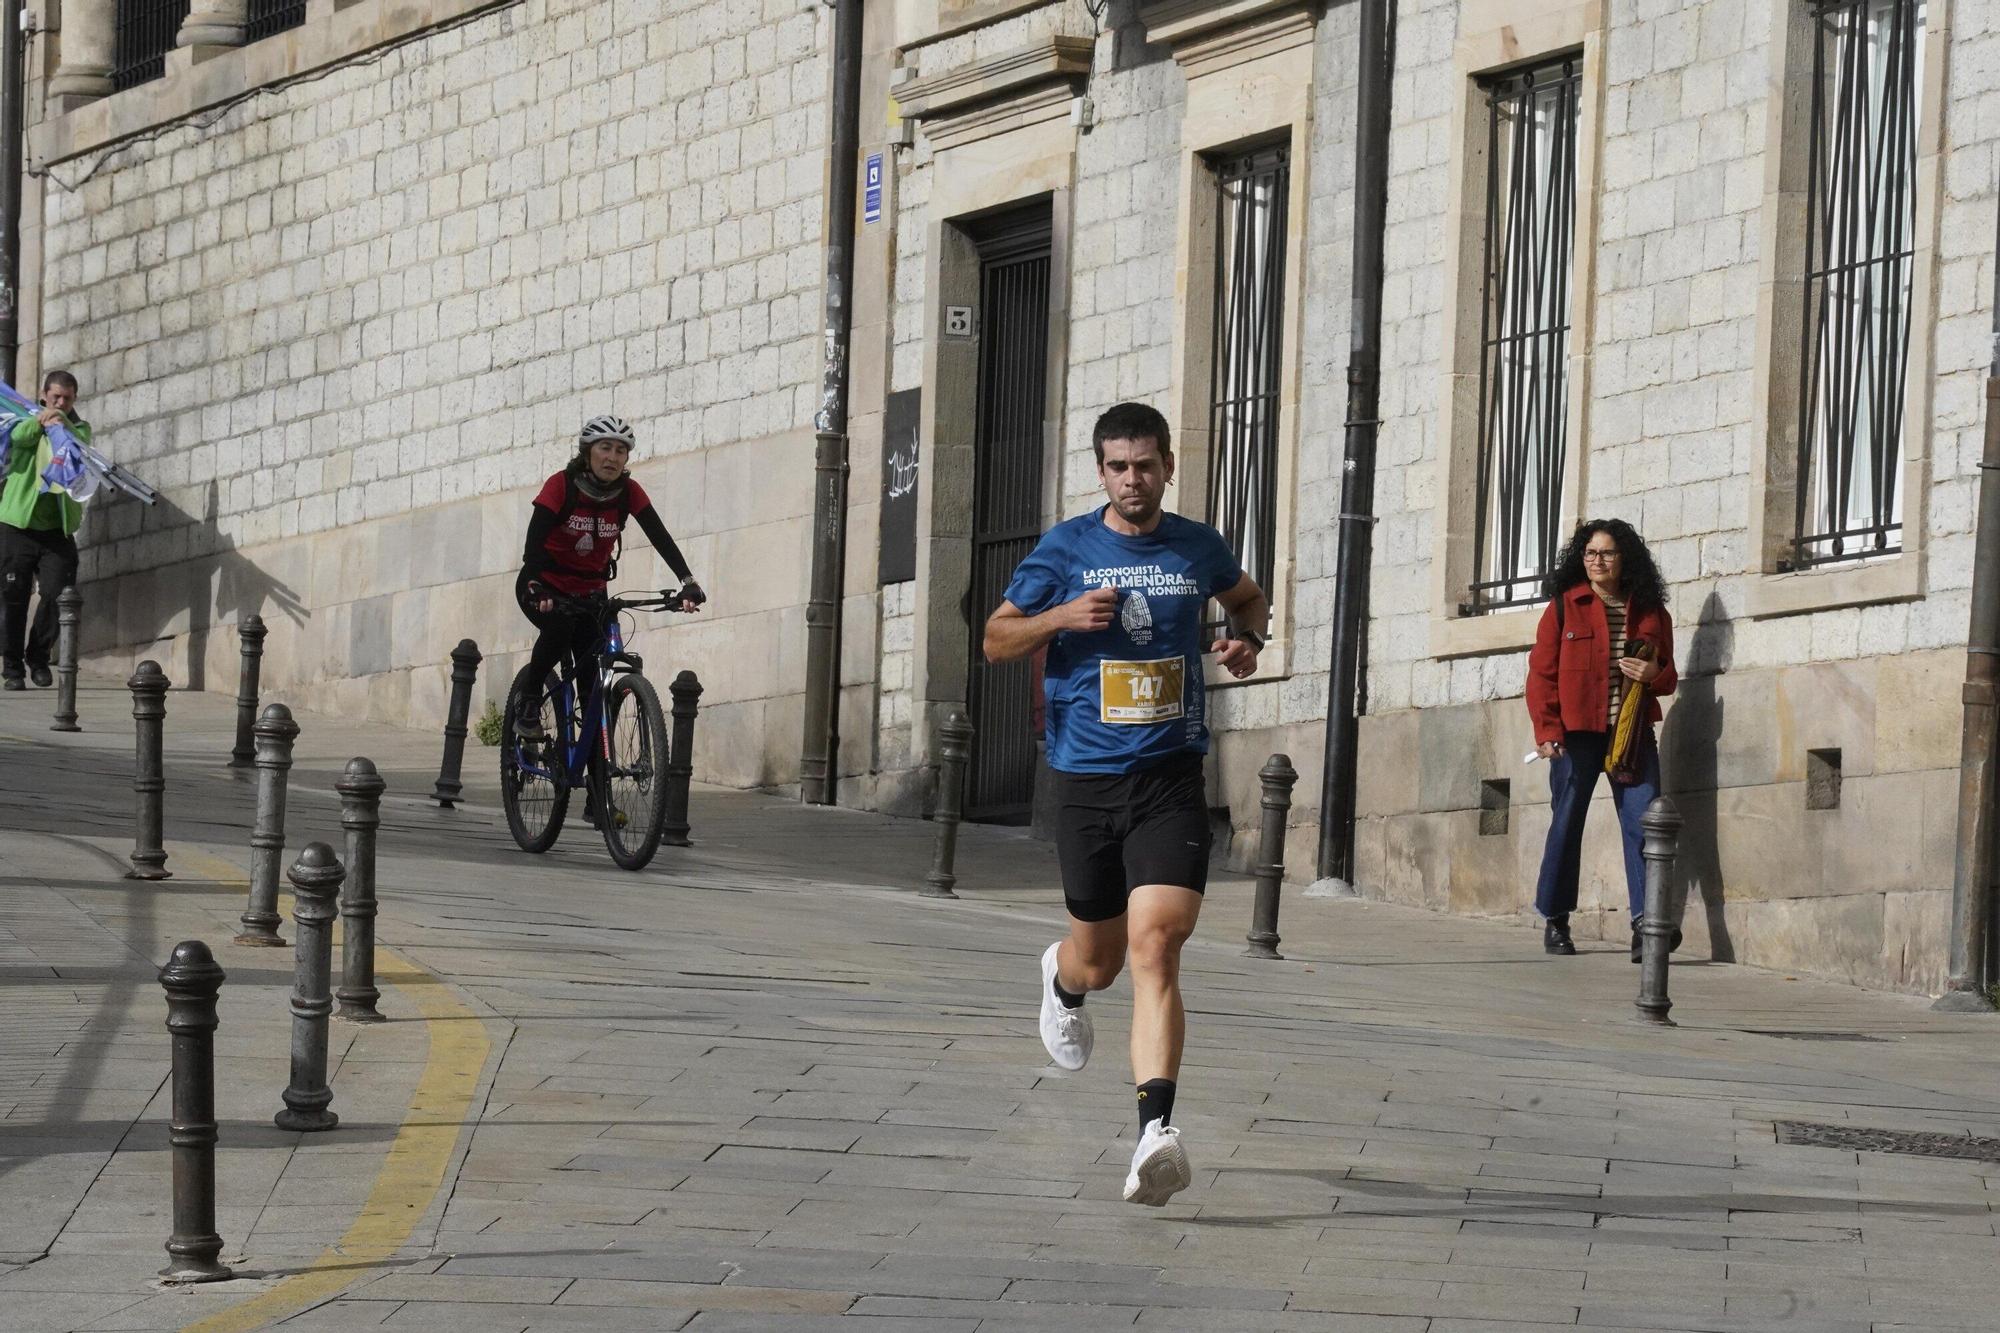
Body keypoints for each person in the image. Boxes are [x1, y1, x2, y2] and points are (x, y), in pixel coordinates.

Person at [983, 401, 1269, 1207]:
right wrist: (1060, 617)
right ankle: (1062, 980)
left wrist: (1250, 637)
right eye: (1118, 466)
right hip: (1086, 781)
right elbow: (997, 637)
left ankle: (1156, 1131)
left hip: (1171, 774)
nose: (1133, 478)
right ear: (1101, 472)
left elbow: (1249, 599)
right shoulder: (1066, 548)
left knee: (1158, 945)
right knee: (1101, 959)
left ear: (1168, 466)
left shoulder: (1195, 544)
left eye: (1146, 464)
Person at [1525, 519, 1678, 960]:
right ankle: (1555, 917)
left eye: (1607, 553)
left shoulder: (1650, 612)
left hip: (1630, 735)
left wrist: (1654, 674)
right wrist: (1548, 732)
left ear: (1624, 558)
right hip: (1576, 737)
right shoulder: (1564, 607)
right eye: (1591, 553)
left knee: (1645, 824)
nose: (1598, 561)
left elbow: (1667, 677)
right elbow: (1541, 676)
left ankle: (1645, 925)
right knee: (1567, 823)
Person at [513, 414, 704, 741]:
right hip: (544, 586)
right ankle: (529, 702)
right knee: (559, 629)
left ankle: (596, 784)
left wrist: (687, 581)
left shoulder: (628, 493)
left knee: (592, 686)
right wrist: (535, 584)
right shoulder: (561, 486)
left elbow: (660, 536)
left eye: (620, 451)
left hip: (590, 593)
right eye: (605, 448)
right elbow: (533, 545)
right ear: (588, 451)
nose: (612, 457)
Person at [0, 371, 88, 690]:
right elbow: (19, 438)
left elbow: (79, 447)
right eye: (55, 397)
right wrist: (41, 422)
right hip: (17, 526)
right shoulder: (26, 422)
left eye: (66, 398)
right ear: (44, 395)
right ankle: (11, 669)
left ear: (74, 399)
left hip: (56, 530)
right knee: (14, 597)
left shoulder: (79, 428)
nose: (60, 403)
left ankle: (37, 657)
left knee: (57, 594)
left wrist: (61, 427)